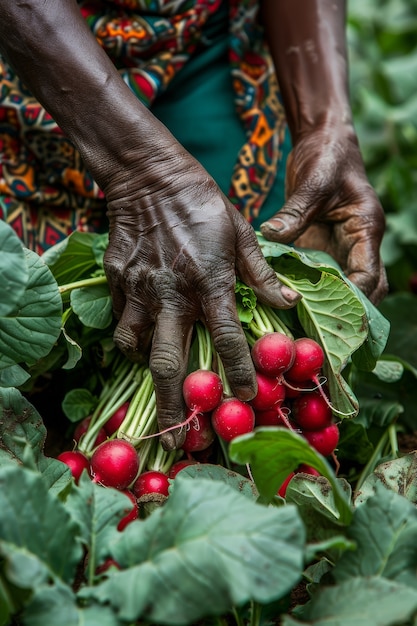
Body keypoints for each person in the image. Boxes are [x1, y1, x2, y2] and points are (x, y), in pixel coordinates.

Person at [0, 0, 387, 450]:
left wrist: (325, 122)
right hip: (28, 42)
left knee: (224, 274)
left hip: (205, 38)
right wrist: (144, 174)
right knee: (30, 354)